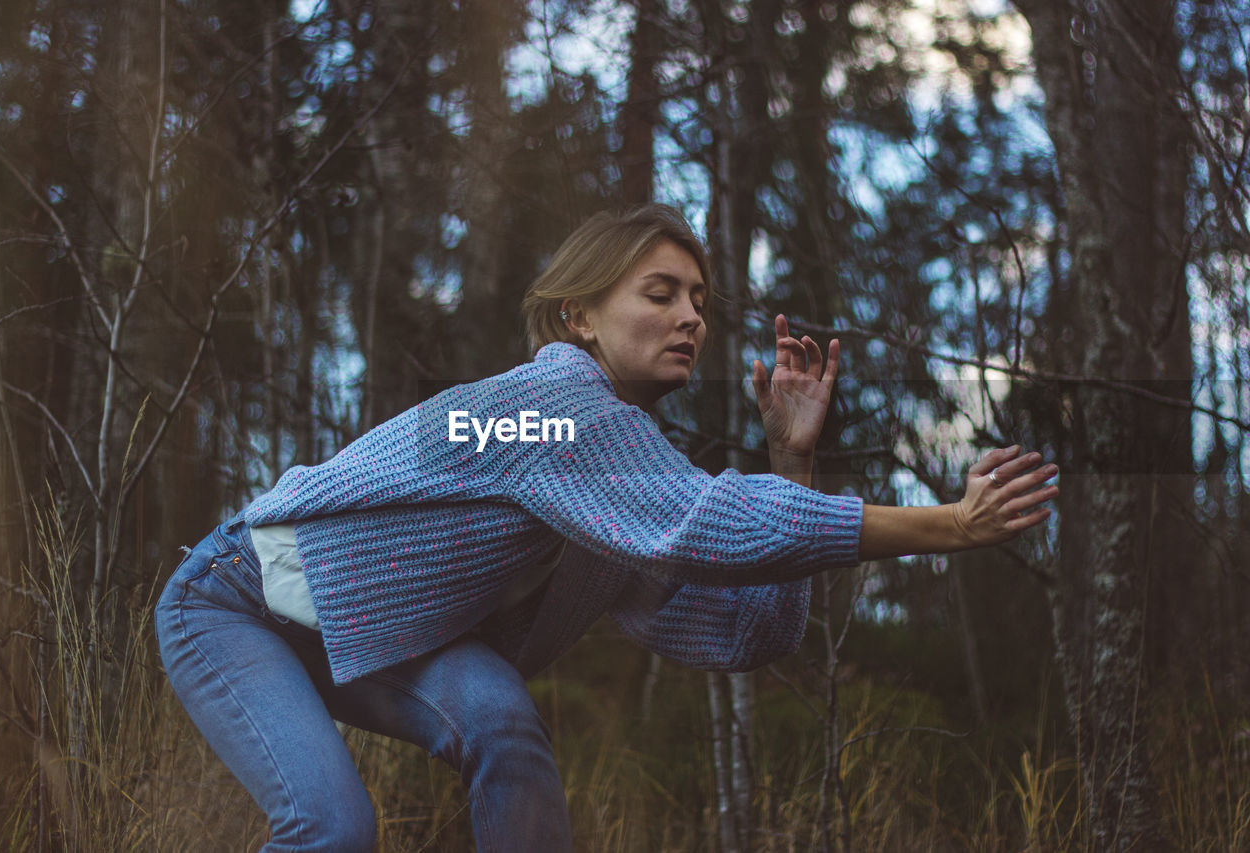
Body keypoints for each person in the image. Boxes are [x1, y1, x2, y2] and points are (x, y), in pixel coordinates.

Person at [155, 204, 1058, 852]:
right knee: (334, 827)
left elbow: (749, 629)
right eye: (659, 293)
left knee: (503, 719)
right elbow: (706, 521)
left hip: (371, 632)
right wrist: (948, 523)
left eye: (699, 301)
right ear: (578, 315)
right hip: (236, 601)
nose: (690, 317)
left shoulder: (608, 494)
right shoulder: (549, 410)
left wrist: (793, 463)